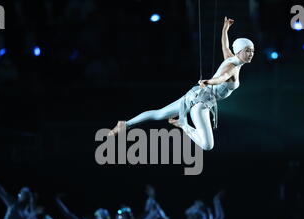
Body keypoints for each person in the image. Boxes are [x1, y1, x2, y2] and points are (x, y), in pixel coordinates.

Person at [108, 17, 254, 151]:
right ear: (239, 51)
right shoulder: (232, 67)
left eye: (252, 50)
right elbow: (223, 77)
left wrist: (225, 29)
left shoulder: (232, 59)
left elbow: (225, 47)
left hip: (194, 95)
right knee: (207, 146)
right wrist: (209, 81)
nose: (251, 53)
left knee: (159, 114)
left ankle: (125, 124)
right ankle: (183, 124)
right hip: (201, 104)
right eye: (247, 50)